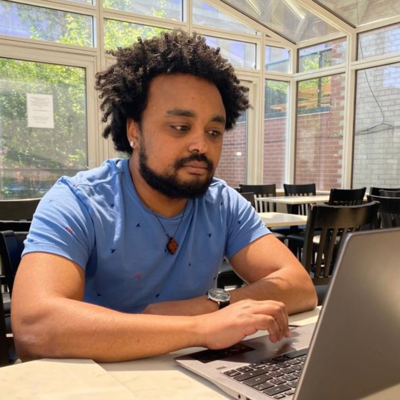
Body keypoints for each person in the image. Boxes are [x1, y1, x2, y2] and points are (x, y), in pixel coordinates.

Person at [12, 30, 317, 362]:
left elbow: (300, 287)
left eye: (214, 132)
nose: (201, 145)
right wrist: (201, 328)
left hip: (192, 374)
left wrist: (207, 306)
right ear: (134, 131)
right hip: (99, 377)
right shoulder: (78, 202)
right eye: (181, 127)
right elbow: (34, 326)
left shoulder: (222, 202)